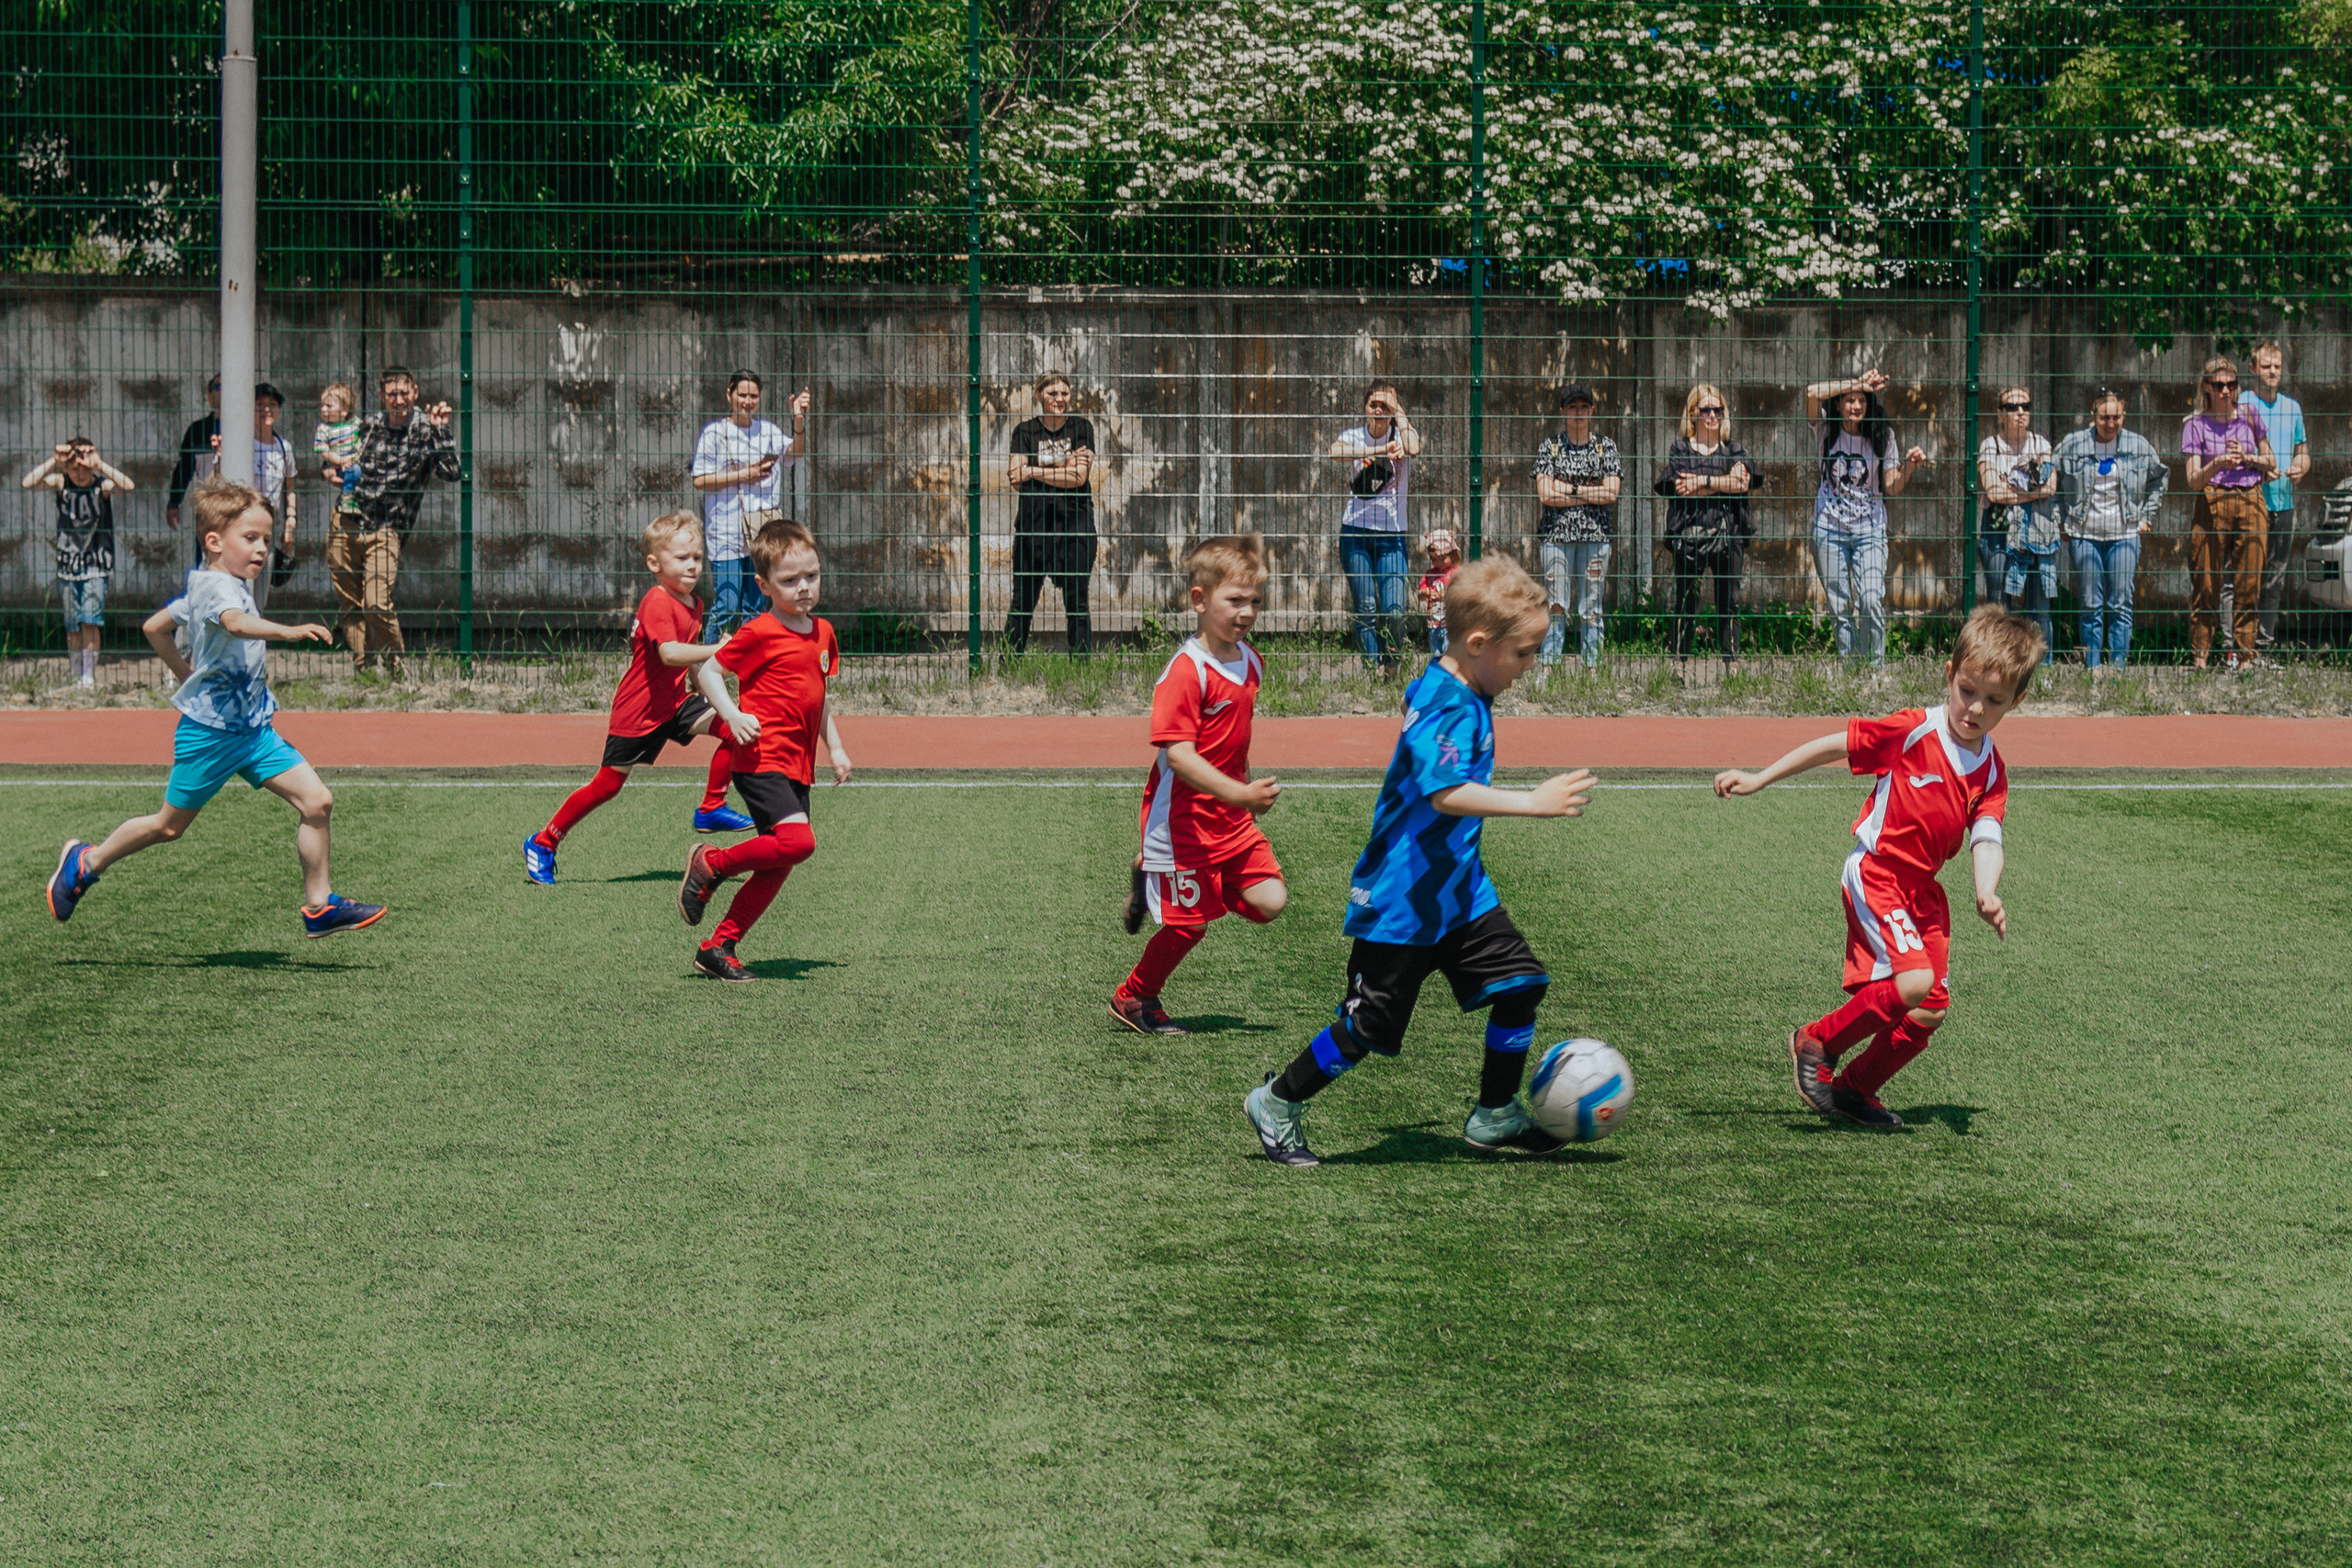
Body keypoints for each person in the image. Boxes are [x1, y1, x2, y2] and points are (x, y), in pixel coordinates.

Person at [1240, 556, 1599, 1168]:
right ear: (1479, 643)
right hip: (1402, 898)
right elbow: (1443, 792)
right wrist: (1532, 803)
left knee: (1521, 983)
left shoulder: (1462, 688)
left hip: (1458, 895)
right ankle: (1277, 1100)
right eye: (1524, 653)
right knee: (1365, 1029)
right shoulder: (1445, 702)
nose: (1529, 666)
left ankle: (1493, 1113)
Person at [1712, 605, 2043, 1131]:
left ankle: (1852, 1090)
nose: (1975, 708)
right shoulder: (1915, 731)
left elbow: (1987, 835)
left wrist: (1987, 890)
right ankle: (1817, 1040)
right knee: (1912, 981)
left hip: (1924, 894)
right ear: (1949, 674)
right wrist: (1760, 777)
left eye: (1994, 700)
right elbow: (1835, 745)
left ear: (2016, 702)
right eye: (1967, 690)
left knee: (1929, 1006)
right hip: (1878, 874)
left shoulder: (1993, 770)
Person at [43, 480, 387, 939]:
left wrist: (186, 672)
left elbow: (155, 627)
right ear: (214, 542)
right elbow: (236, 624)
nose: (263, 548)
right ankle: (85, 862)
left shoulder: (212, 585)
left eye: (266, 538)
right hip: (209, 734)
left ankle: (320, 906)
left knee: (317, 801)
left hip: (252, 729)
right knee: (168, 828)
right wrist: (287, 632)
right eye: (251, 538)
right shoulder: (220, 590)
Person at [1110, 535, 1289, 1036]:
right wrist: (1242, 795)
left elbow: (1235, 742)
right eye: (1235, 600)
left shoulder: (1251, 662)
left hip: (1230, 819)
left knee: (1270, 901)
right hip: (1180, 822)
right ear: (1199, 599)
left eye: (1255, 601)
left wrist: (1244, 794)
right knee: (1190, 925)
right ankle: (1134, 997)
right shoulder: (1186, 672)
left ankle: (1156, 883)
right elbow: (1179, 755)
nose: (1247, 612)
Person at [522, 513, 749, 886]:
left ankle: (711, 808)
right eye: (681, 558)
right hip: (638, 712)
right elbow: (670, 654)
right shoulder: (657, 602)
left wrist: (715, 689)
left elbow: (689, 663)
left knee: (734, 728)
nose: (692, 565)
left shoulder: (693, 603)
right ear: (654, 564)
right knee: (607, 786)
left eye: (697, 556)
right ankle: (544, 841)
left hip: (676, 703)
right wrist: (719, 650)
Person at [677, 518, 853, 983]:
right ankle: (710, 862)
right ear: (764, 585)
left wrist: (835, 748)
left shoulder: (823, 632)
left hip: (798, 765)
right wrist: (732, 715)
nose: (803, 588)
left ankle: (719, 947)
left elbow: (819, 696)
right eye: (789, 580)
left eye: (811, 576)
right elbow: (709, 673)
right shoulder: (759, 632)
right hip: (760, 760)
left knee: (780, 861)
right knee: (799, 843)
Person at [336, 367, 459, 676]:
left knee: (376, 602)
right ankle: (364, 670)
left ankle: (396, 667)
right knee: (350, 603)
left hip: (387, 527)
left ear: (415, 393)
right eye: (392, 394)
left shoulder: (425, 428)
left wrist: (441, 431)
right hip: (348, 520)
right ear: (382, 396)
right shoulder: (368, 426)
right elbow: (341, 462)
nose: (399, 399)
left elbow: (452, 472)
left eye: (404, 393)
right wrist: (335, 471)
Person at [1804, 370, 1927, 667]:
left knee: (1871, 598)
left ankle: (1875, 668)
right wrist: (1858, 382)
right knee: (1840, 603)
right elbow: (1811, 392)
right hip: (1828, 529)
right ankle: (1850, 669)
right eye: (1849, 400)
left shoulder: (1882, 434)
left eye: (1862, 400)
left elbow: (1891, 486)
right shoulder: (1824, 428)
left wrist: (1909, 467)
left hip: (1870, 530)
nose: (1856, 405)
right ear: (1837, 404)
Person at [2052, 389, 2166, 672]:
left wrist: (2146, 517)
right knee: (2090, 604)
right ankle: (2093, 667)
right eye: (2104, 417)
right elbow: (2050, 479)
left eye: (2116, 417)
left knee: (2120, 604)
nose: (2111, 423)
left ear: (2123, 416)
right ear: (2094, 416)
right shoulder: (2073, 444)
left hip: (2125, 535)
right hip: (2084, 535)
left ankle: (2117, 669)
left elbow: (2160, 477)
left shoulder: (2137, 445)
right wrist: (2060, 519)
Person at [691, 371, 808, 643]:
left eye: (753, 396)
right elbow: (699, 480)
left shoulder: (767, 431)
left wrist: (798, 417)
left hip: (761, 533)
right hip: (726, 533)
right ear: (729, 394)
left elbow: (796, 452)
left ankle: (746, 667)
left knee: (755, 609)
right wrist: (744, 475)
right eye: (742, 395)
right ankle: (706, 668)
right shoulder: (715, 433)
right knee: (727, 604)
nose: (747, 401)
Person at [2180, 355, 2277, 671]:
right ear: (2206, 386)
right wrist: (2217, 463)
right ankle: (2201, 655)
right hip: (2211, 498)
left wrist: (2247, 457)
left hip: (2250, 496)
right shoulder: (2195, 424)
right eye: (2219, 385)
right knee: (2206, 579)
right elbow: (2193, 480)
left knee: (2250, 579)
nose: (2226, 391)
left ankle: (2245, 656)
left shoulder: (2249, 415)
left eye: (2231, 384)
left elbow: (2271, 462)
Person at [1654, 383, 1757, 676]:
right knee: (1686, 601)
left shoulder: (1733, 448)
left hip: (1729, 534)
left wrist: (1703, 482)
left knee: (1730, 602)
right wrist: (1723, 482)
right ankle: (1680, 664)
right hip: (1689, 535)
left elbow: (1742, 484)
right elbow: (1680, 488)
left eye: (1718, 409)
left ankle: (1732, 664)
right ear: (1692, 413)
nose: (1712, 415)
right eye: (1705, 409)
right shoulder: (1680, 448)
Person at [21, 436, 134, 688]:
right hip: (68, 566)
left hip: (96, 564)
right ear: (66, 468)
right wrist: (55, 460)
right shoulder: (61, 483)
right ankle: (76, 675)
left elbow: (128, 486)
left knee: (90, 620)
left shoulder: (100, 486)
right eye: (74, 468)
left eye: (84, 467)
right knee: (72, 624)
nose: (80, 473)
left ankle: (89, 677)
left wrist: (99, 463)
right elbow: (28, 483)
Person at [1328, 381, 1424, 671]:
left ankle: (1392, 667)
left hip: (1392, 535)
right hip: (1355, 533)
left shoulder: (1402, 435)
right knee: (1367, 606)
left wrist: (1399, 414)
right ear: (1365, 408)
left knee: (1394, 607)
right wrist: (1381, 449)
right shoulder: (1354, 436)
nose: (1380, 410)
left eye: (1387, 406)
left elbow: (1415, 448)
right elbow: (1334, 451)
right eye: (1374, 405)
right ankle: (1371, 668)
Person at [1004, 372, 1098, 656]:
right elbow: (1015, 479)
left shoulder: (1081, 428)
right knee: (1022, 602)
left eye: (1065, 393)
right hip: (1033, 527)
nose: (1059, 399)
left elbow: (1079, 477)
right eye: (1052, 393)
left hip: (1075, 525)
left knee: (1077, 603)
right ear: (1039, 395)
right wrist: (1062, 466)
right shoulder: (1024, 431)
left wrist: (1033, 469)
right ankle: (1009, 663)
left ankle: (1081, 668)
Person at [1532, 383, 1620, 666]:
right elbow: (1545, 495)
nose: (1578, 413)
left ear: (1592, 410)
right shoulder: (1551, 447)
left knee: (1591, 605)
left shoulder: (1605, 447)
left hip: (1596, 536)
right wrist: (1588, 492)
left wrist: (1567, 489)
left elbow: (1611, 494)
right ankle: (1550, 666)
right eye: (1572, 407)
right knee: (1556, 604)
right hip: (1555, 536)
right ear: (1563, 411)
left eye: (1583, 407)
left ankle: (1592, 667)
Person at [191, 383, 300, 607]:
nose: (266, 411)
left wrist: (291, 519)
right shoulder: (240, 442)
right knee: (226, 582)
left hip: (266, 524)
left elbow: (290, 485)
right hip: (237, 521)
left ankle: (253, 629)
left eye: (272, 405)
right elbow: (218, 479)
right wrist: (220, 455)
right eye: (260, 405)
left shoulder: (283, 447)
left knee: (260, 586)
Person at [1975, 385, 2057, 660]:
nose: (2020, 412)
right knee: (1999, 605)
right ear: (2000, 413)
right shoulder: (1990, 445)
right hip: (1998, 531)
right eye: (2012, 407)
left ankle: (2043, 668)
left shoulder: (2041, 444)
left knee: (2039, 605)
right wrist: (2031, 494)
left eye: (2026, 406)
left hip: (2035, 531)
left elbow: (2051, 488)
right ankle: (1999, 664)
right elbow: (1991, 491)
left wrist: (2009, 493)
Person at [2243, 341, 2311, 651]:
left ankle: (2264, 647)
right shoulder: (2242, 403)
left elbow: (2303, 452)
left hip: (2284, 506)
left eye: (2277, 367)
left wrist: (2301, 466)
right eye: (2266, 366)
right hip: (2249, 502)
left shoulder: (2292, 407)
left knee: (2274, 580)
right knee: (2245, 578)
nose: (2272, 372)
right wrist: (2258, 469)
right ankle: (2238, 647)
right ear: (2253, 368)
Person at [163, 372, 220, 535]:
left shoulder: (248, 429)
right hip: (209, 507)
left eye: (228, 386)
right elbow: (184, 468)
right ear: (209, 396)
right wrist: (174, 502)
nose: (223, 391)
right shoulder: (197, 431)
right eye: (218, 387)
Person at [313, 378, 364, 540]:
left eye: (329, 406)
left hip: (355, 461)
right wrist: (340, 461)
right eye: (322, 405)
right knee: (353, 472)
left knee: (357, 469)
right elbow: (323, 450)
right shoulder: (324, 429)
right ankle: (347, 499)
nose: (323, 409)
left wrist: (356, 457)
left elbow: (363, 441)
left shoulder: (355, 423)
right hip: (339, 465)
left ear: (344, 409)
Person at [1415, 529, 1463, 655]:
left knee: (1450, 656)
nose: (1438, 563)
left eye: (1442, 558)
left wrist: (1442, 596)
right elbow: (1419, 593)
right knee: (1435, 656)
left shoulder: (1457, 573)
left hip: (1451, 625)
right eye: (1434, 559)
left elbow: (1460, 594)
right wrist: (1425, 593)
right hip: (1433, 625)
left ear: (1453, 554)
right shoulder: (1429, 574)